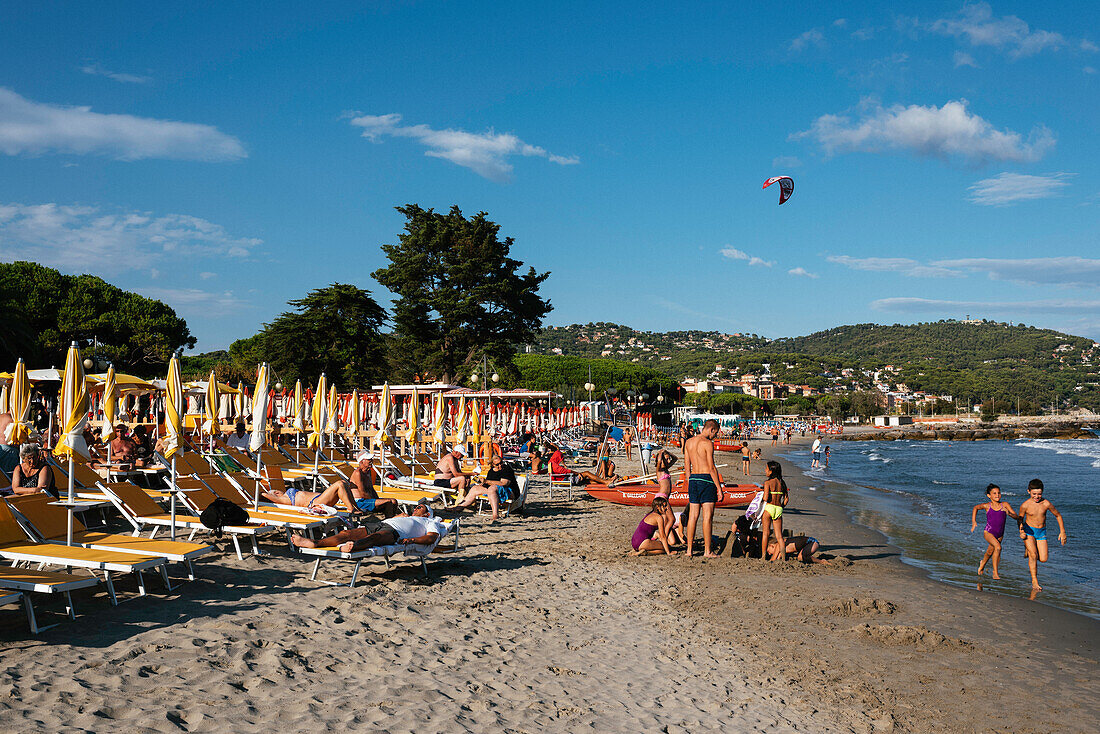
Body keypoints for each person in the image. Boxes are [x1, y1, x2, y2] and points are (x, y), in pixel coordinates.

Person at [291, 501, 448, 553]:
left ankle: (354, 546)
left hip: (395, 533)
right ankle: (315, 543)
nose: (415, 509)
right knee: (348, 532)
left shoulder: (431, 522)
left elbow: (431, 538)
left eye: (419, 508)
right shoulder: (408, 516)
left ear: (427, 514)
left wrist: (411, 540)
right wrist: (397, 517)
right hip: (383, 524)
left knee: (375, 539)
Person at [1016, 479, 1067, 591]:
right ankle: (1034, 581)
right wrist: (1021, 531)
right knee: (1033, 555)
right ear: (1028, 491)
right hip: (1029, 531)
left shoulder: (1046, 504)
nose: (1037, 496)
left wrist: (1062, 531)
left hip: (1041, 533)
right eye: (1034, 494)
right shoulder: (1025, 505)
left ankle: (1029, 549)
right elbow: (1020, 519)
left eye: (1039, 494)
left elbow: (1058, 515)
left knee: (1043, 559)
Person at [682, 418, 723, 558]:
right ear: (711, 429)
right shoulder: (708, 444)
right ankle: (707, 551)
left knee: (693, 516)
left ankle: (689, 550)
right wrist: (719, 488)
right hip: (706, 479)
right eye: (715, 433)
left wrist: (689, 481)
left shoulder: (689, 442)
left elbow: (687, 465)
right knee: (707, 517)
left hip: (693, 479)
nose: (715, 436)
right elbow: (711, 468)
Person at [324, 450, 400, 517]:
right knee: (390, 501)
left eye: (371, 459)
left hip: (367, 500)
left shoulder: (368, 471)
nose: (371, 460)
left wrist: (377, 500)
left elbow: (371, 489)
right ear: (361, 461)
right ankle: (389, 521)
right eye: (368, 459)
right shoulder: (358, 473)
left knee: (392, 502)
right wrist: (375, 501)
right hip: (360, 502)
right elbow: (363, 493)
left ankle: (389, 520)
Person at [970, 483, 1019, 579]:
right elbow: (975, 508)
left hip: (1000, 534)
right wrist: (973, 521)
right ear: (989, 496)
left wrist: (1008, 513)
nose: (997, 495)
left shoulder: (1005, 505)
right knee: (998, 547)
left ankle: (982, 564)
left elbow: (1016, 516)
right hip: (988, 532)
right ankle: (995, 572)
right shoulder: (987, 506)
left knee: (990, 551)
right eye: (994, 493)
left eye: (999, 493)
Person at [452, 456, 517, 522]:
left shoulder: (507, 469)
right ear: (493, 464)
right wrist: (483, 483)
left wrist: (486, 481)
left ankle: (495, 515)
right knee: (475, 488)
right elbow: (488, 483)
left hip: (509, 492)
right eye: (497, 464)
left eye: (501, 463)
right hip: (494, 491)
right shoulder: (491, 471)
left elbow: (504, 483)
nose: (500, 465)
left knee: (492, 488)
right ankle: (459, 507)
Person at [760, 461, 789, 561]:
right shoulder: (782, 483)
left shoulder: (767, 483)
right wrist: (781, 507)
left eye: (767, 469)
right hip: (778, 509)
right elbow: (786, 499)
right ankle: (784, 558)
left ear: (771, 471)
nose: (765, 470)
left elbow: (765, 498)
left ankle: (763, 557)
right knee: (779, 536)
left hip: (769, 508)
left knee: (766, 533)